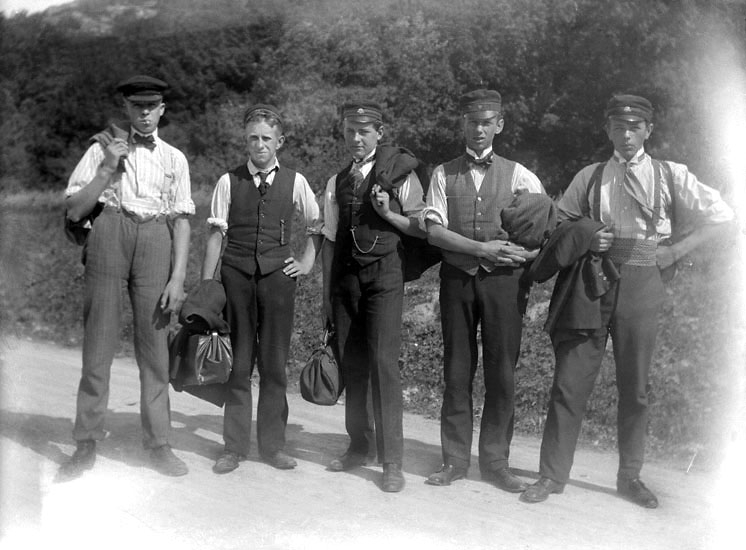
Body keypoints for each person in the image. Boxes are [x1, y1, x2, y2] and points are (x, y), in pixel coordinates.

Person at [520, 94, 734, 508]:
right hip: (592, 279)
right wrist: (586, 235)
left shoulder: (671, 175)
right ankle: (551, 475)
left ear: (648, 130)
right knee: (569, 380)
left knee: (635, 386)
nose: (627, 136)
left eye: (635, 128)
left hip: (643, 281)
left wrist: (677, 251)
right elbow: (560, 223)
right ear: (608, 131)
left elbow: (723, 215)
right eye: (618, 127)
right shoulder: (591, 176)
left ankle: (630, 476)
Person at [59, 75, 194, 480]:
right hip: (110, 232)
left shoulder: (174, 158)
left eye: (152, 107)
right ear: (126, 108)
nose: (145, 114)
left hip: (155, 238)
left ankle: (159, 443)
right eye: (137, 106)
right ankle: (86, 442)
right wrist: (107, 167)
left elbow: (182, 221)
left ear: (162, 110)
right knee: (98, 343)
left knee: (155, 349)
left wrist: (178, 278)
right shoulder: (102, 148)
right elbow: (74, 210)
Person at [423, 89, 545, 492]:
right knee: (457, 371)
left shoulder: (520, 175)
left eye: (487, 122)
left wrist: (522, 255)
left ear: (499, 125)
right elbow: (435, 231)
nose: (479, 129)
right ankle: (454, 460)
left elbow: (543, 229)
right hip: (457, 280)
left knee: (501, 373)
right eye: (472, 122)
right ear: (463, 124)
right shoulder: (442, 174)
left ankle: (495, 463)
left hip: (503, 285)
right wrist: (481, 249)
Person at [200, 104, 323, 474]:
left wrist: (306, 262)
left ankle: (272, 447)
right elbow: (215, 235)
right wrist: (207, 286)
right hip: (236, 279)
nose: (259, 145)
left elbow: (318, 223)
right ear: (245, 140)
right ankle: (233, 448)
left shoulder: (295, 181)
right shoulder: (229, 181)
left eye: (266, 138)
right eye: (253, 138)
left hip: (277, 281)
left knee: (273, 365)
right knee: (238, 365)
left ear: (279, 142)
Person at [321, 101, 427, 492]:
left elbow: (420, 225)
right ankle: (358, 446)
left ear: (379, 133)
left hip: (385, 276)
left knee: (383, 364)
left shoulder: (400, 175)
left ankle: (392, 461)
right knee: (352, 362)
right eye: (350, 130)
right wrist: (326, 293)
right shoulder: (336, 182)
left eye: (364, 131)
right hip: (346, 280)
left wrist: (388, 213)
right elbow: (329, 239)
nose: (356, 138)